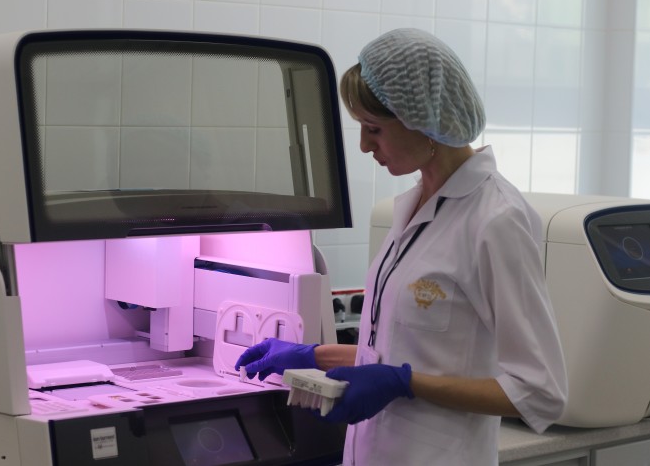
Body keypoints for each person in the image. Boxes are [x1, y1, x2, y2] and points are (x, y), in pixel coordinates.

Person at [235, 28, 568, 466]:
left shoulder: (497, 220)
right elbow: (397, 354)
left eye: (373, 129)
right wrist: (311, 356)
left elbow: (541, 392)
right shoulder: (411, 208)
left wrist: (405, 384)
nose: (363, 145)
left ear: (424, 121)